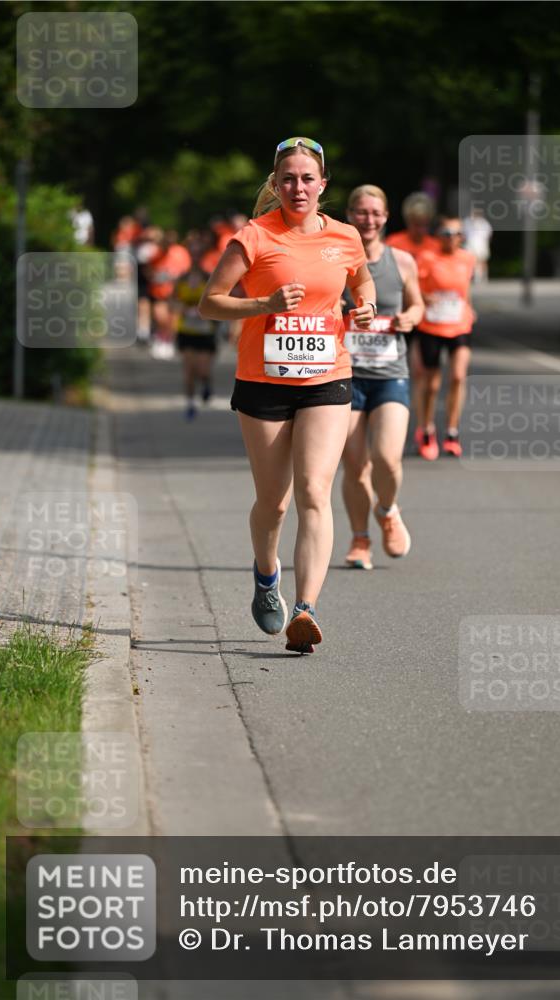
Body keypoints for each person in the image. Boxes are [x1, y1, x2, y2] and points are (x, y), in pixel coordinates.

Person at [199, 137, 376, 653]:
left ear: (324, 184)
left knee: (315, 493)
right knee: (275, 504)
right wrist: (264, 304)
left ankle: (306, 609)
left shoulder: (344, 237)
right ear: (275, 185)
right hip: (263, 382)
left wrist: (363, 306)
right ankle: (266, 574)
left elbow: (362, 285)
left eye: (307, 179)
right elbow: (210, 304)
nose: (298, 187)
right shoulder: (253, 237)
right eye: (288, 179)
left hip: (327, 377)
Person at [341, 185, 423, 570]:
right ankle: (360, 540)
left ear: (386, 217)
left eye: (375, 213)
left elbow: (418, 303)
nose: (368, 219)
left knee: (387, 458)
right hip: (345, 375)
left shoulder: (402, 261)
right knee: (355, 466)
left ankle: (387, 510)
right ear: (349, 215)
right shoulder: (335, 260)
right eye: (360, 212)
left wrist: (411, 317)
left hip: (390, 373)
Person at [414, 217, 476, 459]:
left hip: (460, 324)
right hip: (431, 325)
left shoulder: (468, 259)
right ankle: (426, 429)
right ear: (438, 235)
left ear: (462, 237)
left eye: (455, 233)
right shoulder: (427, 257)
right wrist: (423, 298)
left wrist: (469, 307)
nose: (450, 237)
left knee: (459, 376)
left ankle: (452, 432)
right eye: (445, 232)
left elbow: (465, 289)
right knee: (432, 384)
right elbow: (413, 285)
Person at [173, 240, 218, 420]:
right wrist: (182, 309)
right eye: (192, 254)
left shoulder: (210, 277)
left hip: (206, 331)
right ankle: (190, 404)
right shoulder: (182, 279)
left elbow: (219, 298)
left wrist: (207, 310)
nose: (195, 258)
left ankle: (207, 384)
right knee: (189, 371)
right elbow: (172, 300)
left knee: (203, 370)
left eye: (198, 254)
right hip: (186, 330)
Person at [148, 231, 191, 359]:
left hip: (176, 293)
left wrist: (175, 277)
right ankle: (160, 338)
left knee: (173, 320)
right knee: (160, 317)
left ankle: (168, 341)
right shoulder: (155, 253)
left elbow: (186, 270)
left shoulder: (181, 252)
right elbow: (148, 269)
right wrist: (155, 276)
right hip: (159, 291)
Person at [385, 191, 440, 261]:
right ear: (408, 222)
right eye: (417, 225)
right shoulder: (392, 243)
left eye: (425, 225)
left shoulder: (436, 246)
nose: (421, 230)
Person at [462, 208, 493, 282]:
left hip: (481, 245)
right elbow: (463, 233)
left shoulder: (484, 223)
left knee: (482, 261)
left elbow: (489, 234)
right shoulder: (467, 222)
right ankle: (472, 276)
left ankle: (484, 277)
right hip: (470, 245)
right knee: (470, 261)